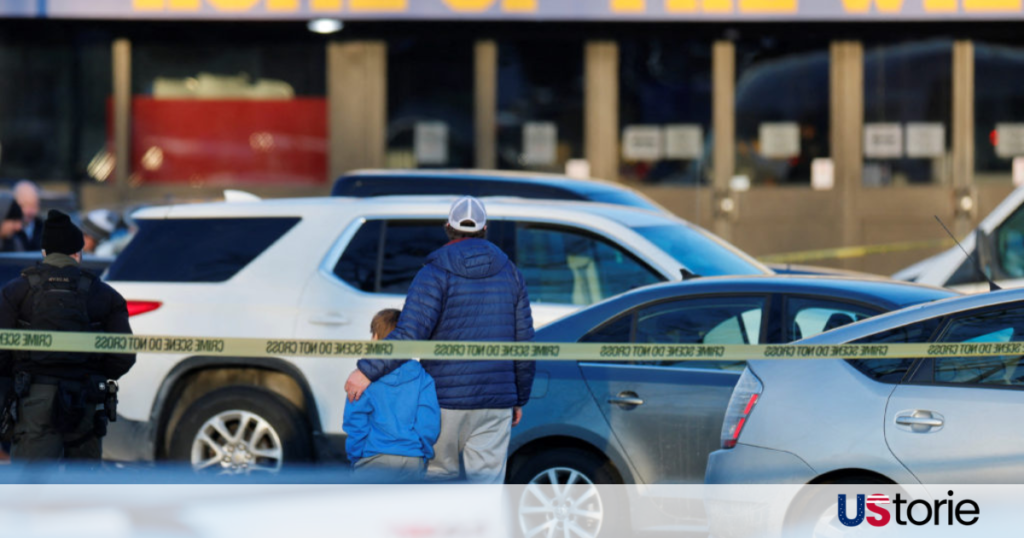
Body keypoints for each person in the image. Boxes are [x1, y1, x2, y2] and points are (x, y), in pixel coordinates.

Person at [345, 196, 535, 484]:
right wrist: (519, 396)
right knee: (486, 489)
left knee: (436, 485)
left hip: (444, 399)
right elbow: (524, 344)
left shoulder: (433, 273)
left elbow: (411, 333)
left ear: (448, 227)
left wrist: (366, 370)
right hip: (496, 402)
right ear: (486, 229)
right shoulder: (511, 274)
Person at [0, 210, 135, 464]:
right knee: (81, 491)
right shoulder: (105, 295)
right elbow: (123, 355)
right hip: (86, 399)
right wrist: (95, 373)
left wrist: (17, 378)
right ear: (78, 253)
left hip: (33, 400)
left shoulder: (16, 291)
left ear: (44, 253)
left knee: (31, 490)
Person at [343, 308, 440, 481]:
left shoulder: (363, 379)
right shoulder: (423, 378)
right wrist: (421, 454)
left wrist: (356, 457)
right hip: (412, 459)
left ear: (375, 339)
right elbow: (428, 424)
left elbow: (355, 422)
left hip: (372, 459)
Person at [13, 180, 43, 252]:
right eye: (24, 205)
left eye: (34, 206)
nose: (29, 211)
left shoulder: (46, 230)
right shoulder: (6, 232)